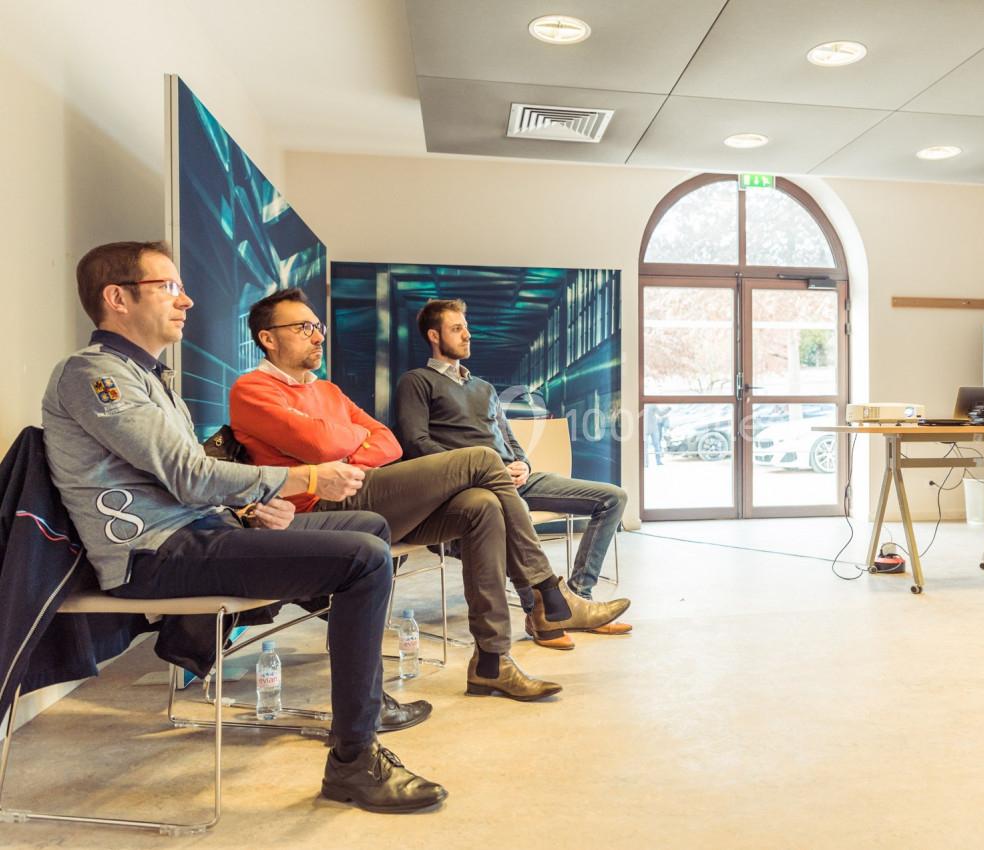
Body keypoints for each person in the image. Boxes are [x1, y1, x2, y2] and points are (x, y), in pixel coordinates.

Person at [42, 241, 443, 813]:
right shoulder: (95, 376)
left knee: (368, 526)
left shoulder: (147, 378)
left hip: (197, 532)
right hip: (154, 554)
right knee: (364, 559)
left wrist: (249, 510)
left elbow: (181, 482)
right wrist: (297, 480)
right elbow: (187, 473)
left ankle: (363, 702)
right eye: (170, 288)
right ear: (117, 298)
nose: (187, 300)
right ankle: (354, 758)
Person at [229, 289, 628, 684]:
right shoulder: (251, 390)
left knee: (481, 506)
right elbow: (325, 444)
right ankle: (547, 592)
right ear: (268, 338)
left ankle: (492, 661)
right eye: (304, 328)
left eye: (318, 327)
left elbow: (385, 442)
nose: (318, 336)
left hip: (367, 493)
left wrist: (342, 445)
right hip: (318, 508)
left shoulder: (327, 391)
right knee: (482, 460)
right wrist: (348, 441)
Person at [393, 298, 632, 650]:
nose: (467, 335)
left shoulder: (484, 388)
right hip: (470, 486)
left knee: (613, 497)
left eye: (466, 327)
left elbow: (509, 440)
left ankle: (576, 598)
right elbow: (416, 443)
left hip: (513, 479)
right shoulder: (417, 382)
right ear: (433, 335)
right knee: (501, 513)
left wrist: (524, 465)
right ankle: (548, 611)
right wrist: (472, 468)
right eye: (457, 328)